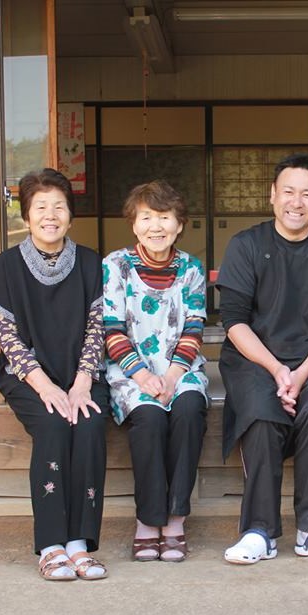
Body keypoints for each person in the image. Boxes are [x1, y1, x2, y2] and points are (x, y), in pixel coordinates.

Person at [216, 153, 308, 565]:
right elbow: (233, 320)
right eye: (288, 192)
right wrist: (278, 369)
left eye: (307, 195)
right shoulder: (246, 245)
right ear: (272, 196)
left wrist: (299, 374)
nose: (296, 202)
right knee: (262, 415)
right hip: (254, 359)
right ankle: (258, 531)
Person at [0, 168, 109, 581]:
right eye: (41, 207)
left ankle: (80, 544)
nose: (50, 215)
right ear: (26, 217)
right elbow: (8, 338)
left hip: (81, 373)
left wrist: (82, 382)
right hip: (27, 375)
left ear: (71, 215)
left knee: (87, 423)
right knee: (53, 424)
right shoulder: (7, 266)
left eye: (59, 207)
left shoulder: (90, 262)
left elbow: (97, 327)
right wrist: (46, 386)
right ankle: (52, 545)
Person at [103, 180, 208, 563]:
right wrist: (145, 377)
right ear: (134, 224)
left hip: (180, 368)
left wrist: (174, 376)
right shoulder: (115, 265)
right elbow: (111, 328)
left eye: (165, 217)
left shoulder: (191, 268)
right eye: (147, 217)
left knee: (189, 410)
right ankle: (149, 521)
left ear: (179, 224)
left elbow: (194, 325)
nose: (156, 226)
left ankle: (176, 517)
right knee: (148, 419)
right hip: (131, 371)